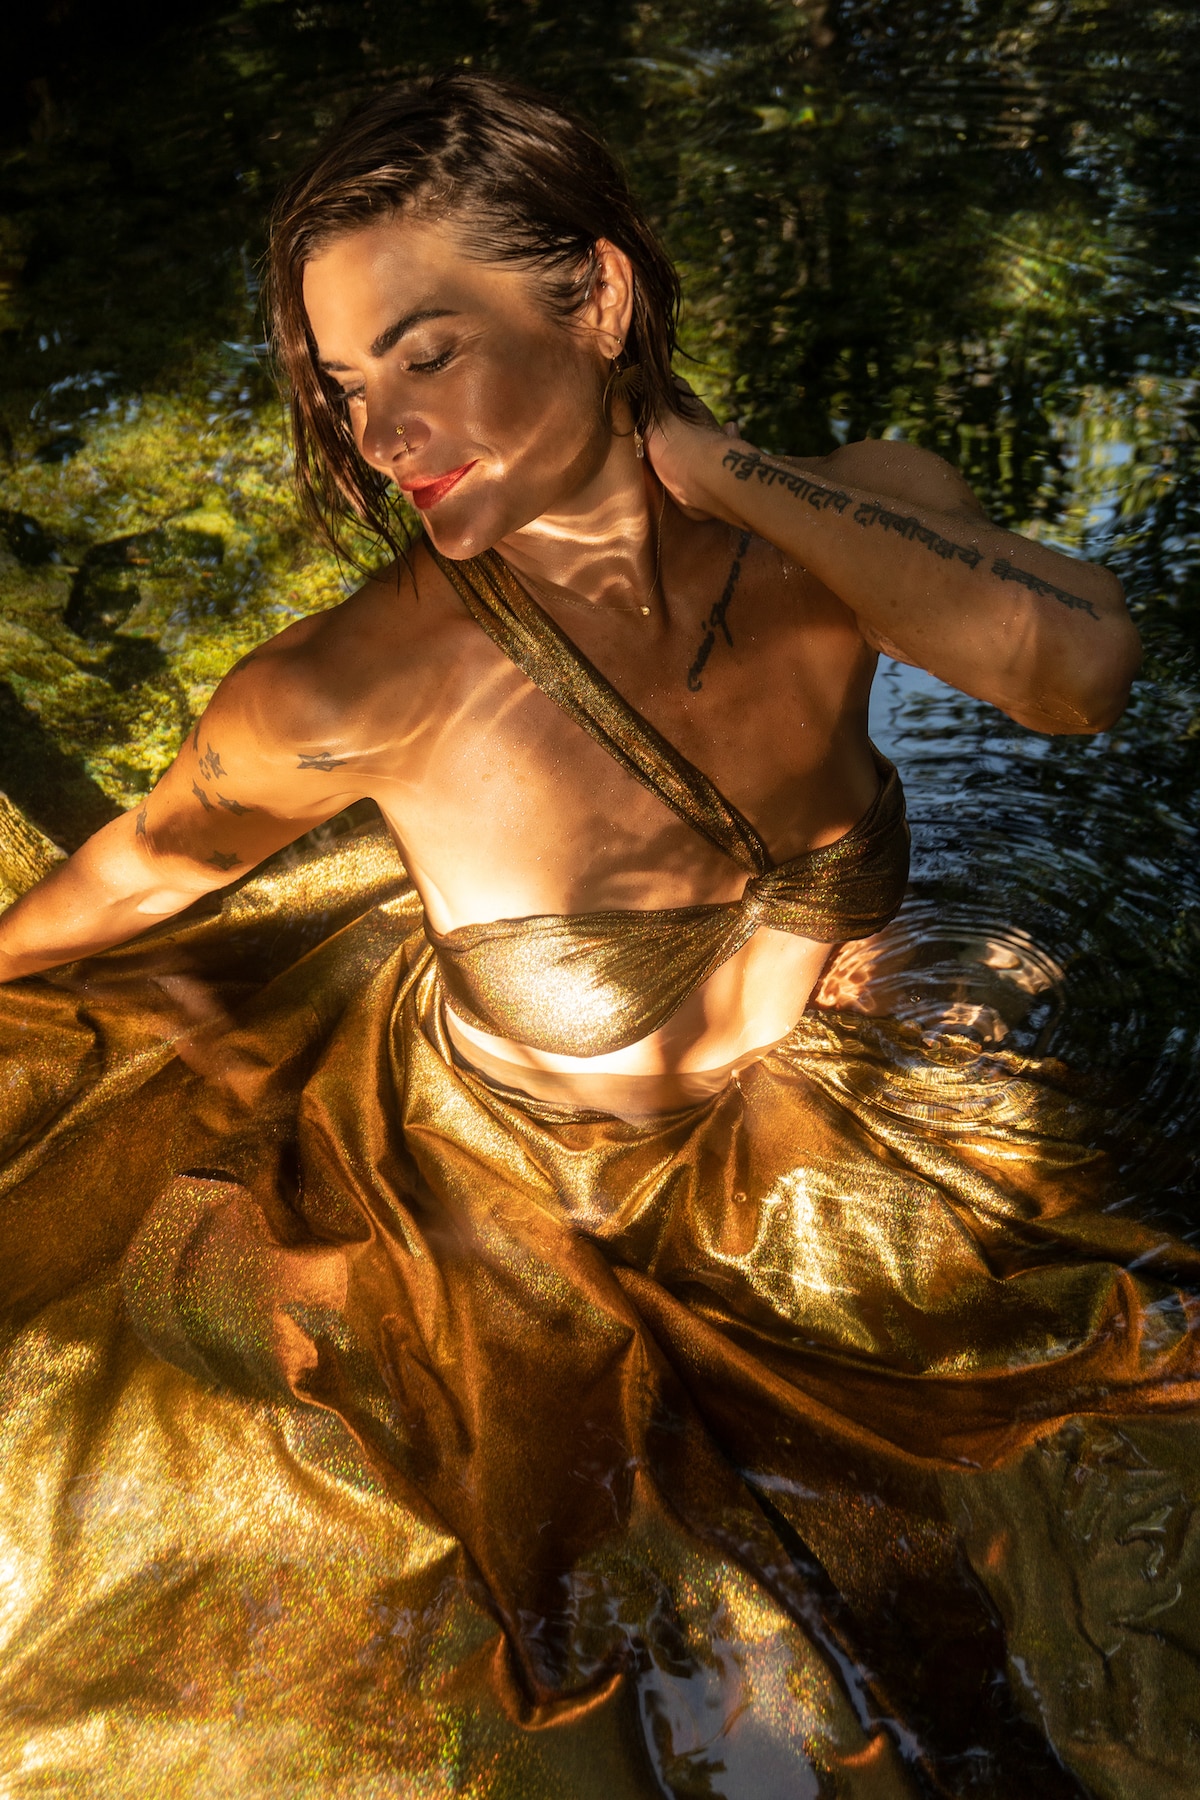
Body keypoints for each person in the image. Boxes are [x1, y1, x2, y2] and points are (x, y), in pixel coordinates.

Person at [0, 72, 1195, 1799]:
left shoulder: (836, 531)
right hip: (513, 1214)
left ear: (602, 297)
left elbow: (1076, 674)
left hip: (835, 1138)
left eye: (427, 353)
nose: (381, 434)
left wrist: (725, 471)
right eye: (348, 385)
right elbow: (143, 870)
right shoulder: (359, 683)